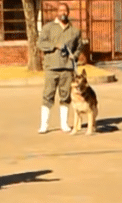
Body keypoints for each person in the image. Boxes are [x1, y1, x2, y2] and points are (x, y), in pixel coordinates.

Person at [36, 2, 82, 134]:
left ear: (68, 13)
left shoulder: (74, 31)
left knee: (65, 96)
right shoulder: (48, 27)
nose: (63, 13)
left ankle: (64, 124)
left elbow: (79, 46)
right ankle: (44, 125)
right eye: (60, 10)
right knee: (48, 95)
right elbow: (40, 43)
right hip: (52, 67)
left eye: (65, 11)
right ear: (57, 12)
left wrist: (75, 56)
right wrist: (54, 45)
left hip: (67, 68)